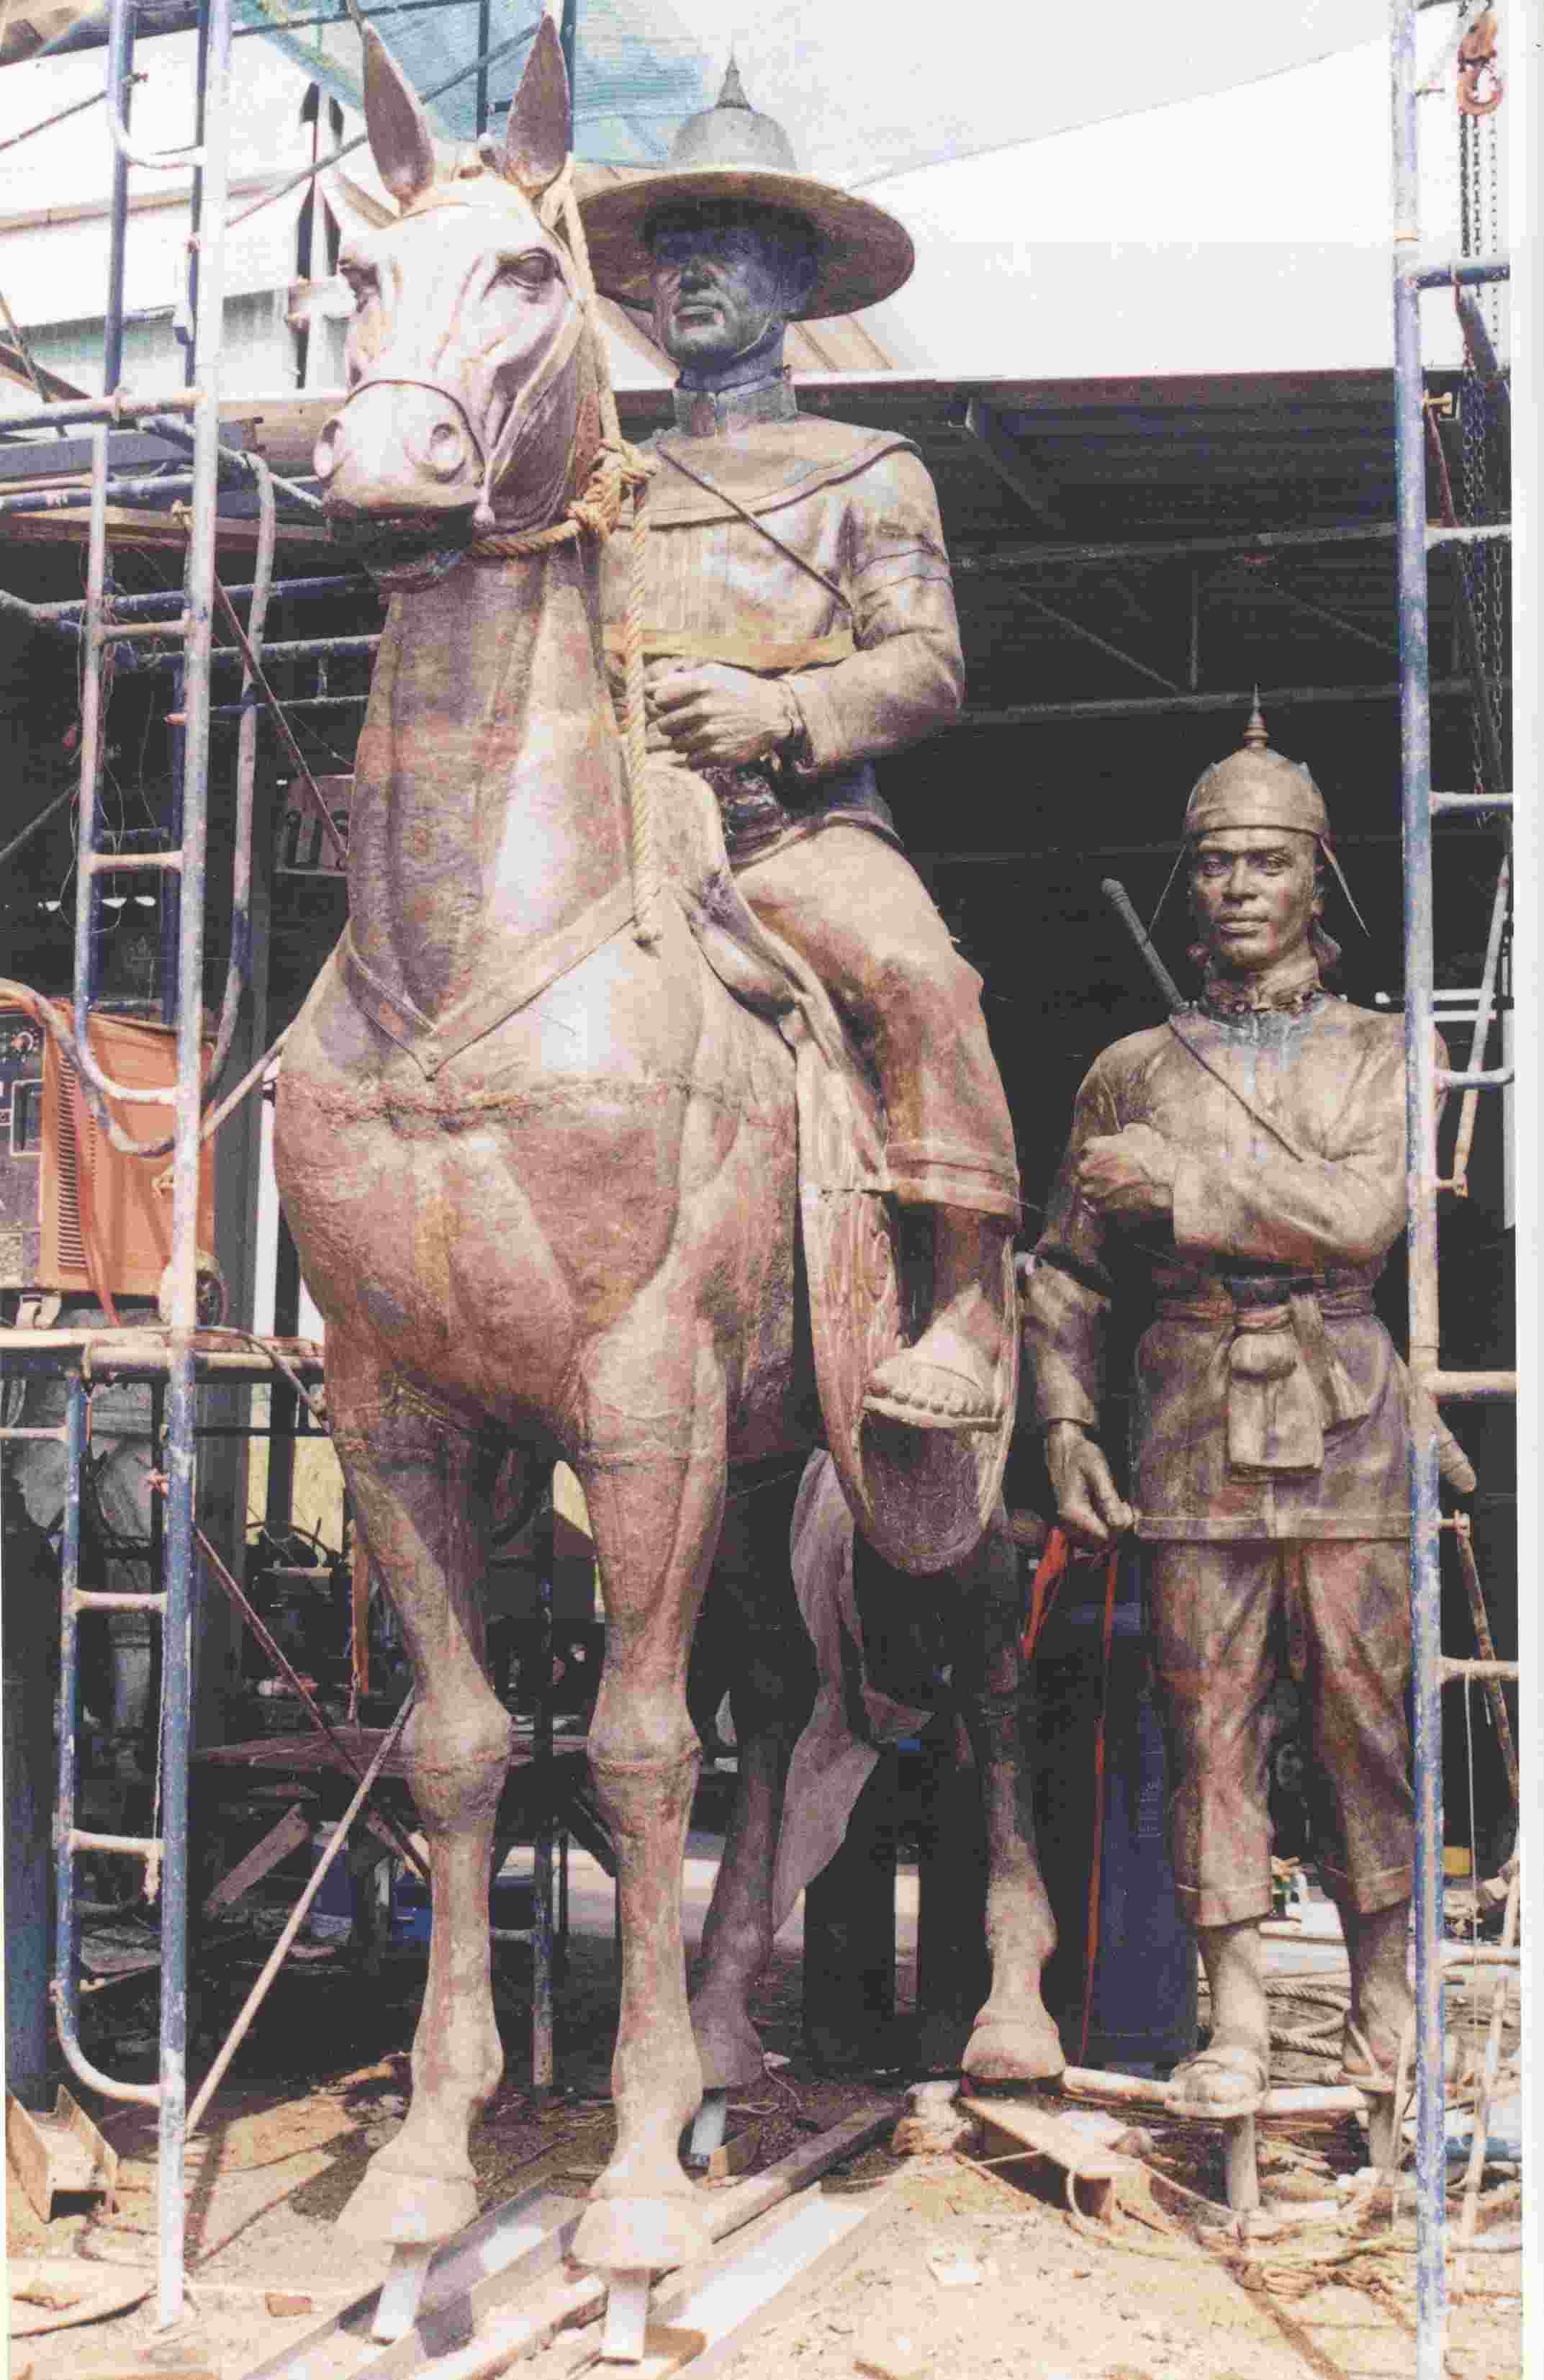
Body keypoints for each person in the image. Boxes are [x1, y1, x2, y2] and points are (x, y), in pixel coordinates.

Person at [1022, 703, 1448, 2122]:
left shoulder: (1380, 1054)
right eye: (1214, 864)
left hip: (1342, 1415)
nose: (1238, 888)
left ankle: (1388, 2012)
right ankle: (1237, 2023)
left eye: (1266, 861)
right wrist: (1066, 1428)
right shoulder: (1128, 1071)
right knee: (1204, 1723)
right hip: (1186, 1420)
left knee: (1362, 1724)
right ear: (1185, 880)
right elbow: (1068, 1277)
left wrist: (1194, 1191)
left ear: (1315, 875)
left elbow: (1360, 1219)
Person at [580, 65, 1018, 1431]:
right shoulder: (600, 483)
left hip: (789, 835)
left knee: (920, 976)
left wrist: (785, 712)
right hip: (615, 842)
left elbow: (929, 666)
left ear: (790, 281)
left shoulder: (869, 467)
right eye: (670, 255)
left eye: (724, 250)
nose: (687, 278)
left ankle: (969, 1302)